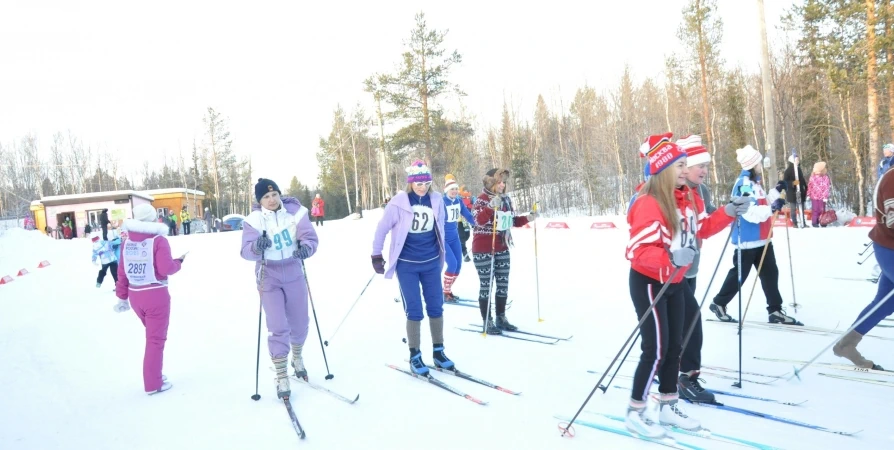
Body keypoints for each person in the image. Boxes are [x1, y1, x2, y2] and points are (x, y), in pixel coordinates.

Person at [624, 133, 747, 437]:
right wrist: (669, 256)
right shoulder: (649, 202)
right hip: (651, 282)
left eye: (685, 164)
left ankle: (667, 407)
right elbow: (636, 251)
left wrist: (728, 212)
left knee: (675, 347)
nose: (685, 170)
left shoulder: (689, 196)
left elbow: (701, 229)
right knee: (655, 348)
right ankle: (635, 411)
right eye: (679, 165)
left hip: (676, 280)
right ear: (662, 169)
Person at [674, 135, 742, 403]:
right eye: (698, 165)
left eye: (706, 165)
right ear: (683, 166)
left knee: (680, 321)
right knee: (688, 320)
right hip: (669, 271)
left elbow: (705, 223)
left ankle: (671, 367)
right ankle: (684, 376)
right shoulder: (670, 190)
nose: (704, 170)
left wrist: (729, 211)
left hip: (690, 267)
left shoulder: (701, 191)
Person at [371, 159, 454, 376]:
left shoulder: (436, 200)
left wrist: (443, 253)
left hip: (431, 262)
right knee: (414, 310)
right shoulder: (399, 202)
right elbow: (382, 229)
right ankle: (415, 355)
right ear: (411, 182)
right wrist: (376, 255)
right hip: (407, 265)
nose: (422, 186)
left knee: (436, 307)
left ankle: (439, 351)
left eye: (426, 182)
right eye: (418, 182)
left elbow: (441, 227)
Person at [240, 178, 318, 399]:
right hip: (269, 275)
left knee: (300, 323)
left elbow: (310, 238)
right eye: (266, 197)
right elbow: (245, 251)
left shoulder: (296, 212)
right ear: (259, 200)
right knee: (278, 326)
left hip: (293, 271)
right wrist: (256, 247)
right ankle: (282, 374)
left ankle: (297, 357)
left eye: (274, 195)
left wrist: (306, 249)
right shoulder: (253, 220)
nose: (271, 200)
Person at [709, 145, 803, 325]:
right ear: (753, 164)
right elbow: (749, 213)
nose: (761, 165)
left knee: (770, 274)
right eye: (759, 162)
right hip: (747, 241)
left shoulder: (754, 183)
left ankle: (775, 310)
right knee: (739, 277)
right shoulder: (744, 184)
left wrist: (776, 191)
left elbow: (763, 202)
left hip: (762, 239)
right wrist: (772, 208)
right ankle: (719, 303)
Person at [113, 203, 184, 395]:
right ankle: (153, 383)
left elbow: (122, 271)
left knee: (153, 338)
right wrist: (178, 263)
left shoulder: (127, 241)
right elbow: (165, 268)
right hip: (156, 296)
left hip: (136, 296)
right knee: (155, 340)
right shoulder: (159, 240)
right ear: (153, 218)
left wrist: (122, 297)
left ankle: (155, 375)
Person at [834, 164, 894, 370]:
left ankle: (846, 345)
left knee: (885, 303)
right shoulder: (892, 180)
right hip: (890, 250)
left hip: (888, 248)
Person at [471, 168, 537, 334]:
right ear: (491, 183)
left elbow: (510, 221)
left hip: (502, 245)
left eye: (504, 182)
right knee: (487, 285)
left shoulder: (506, 199)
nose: (502, 185)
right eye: (499, 182)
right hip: (484, 248)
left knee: (502, 284)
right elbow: (478, 220)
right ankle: (487, 320)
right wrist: (490, 207)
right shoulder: (482, 199)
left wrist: (528, 218)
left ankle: (501, 317)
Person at [441, 174, 475, 302]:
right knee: (452, 264)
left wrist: (479, 224)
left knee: (458, 266)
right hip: (443, 239)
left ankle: (447, 290)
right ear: (446, 191)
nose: (454, 191)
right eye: (452, 189)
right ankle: (445, 292)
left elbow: (468, 215)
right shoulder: (442, 202)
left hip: (454, 237)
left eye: (456, 189)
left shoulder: (458, 201)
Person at [784, 154, 807, 227]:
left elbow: (802, 179)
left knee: (801, 208)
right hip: (792, 193)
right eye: (796, 160)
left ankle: (803, 222)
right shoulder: (788, 171)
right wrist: (793, 183)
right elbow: (785, 182)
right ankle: (795, 222)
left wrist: (805, 187)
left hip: (800, 192)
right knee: (793, 209)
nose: (798, 161)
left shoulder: (799, 169)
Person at [808, 161, 832, 227]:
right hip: (821, 197)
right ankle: (822, 221)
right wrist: (825, 197)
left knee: (815, 210)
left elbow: (810, 186)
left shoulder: (813, 177)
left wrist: (809, 194)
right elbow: (826, 188)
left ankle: (815, 222)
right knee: (822, 210)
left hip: (815, 197)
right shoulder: (825, 178)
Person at [458, 186, 473, 262]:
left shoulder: (470, 198)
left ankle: (459, 246)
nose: (466, 192)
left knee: (467, 236)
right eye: (464, 191)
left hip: (466, 221)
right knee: (462, 237)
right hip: (459, 221)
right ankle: (464, 252)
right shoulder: (458, 198)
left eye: (467, 191)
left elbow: (473, 205)